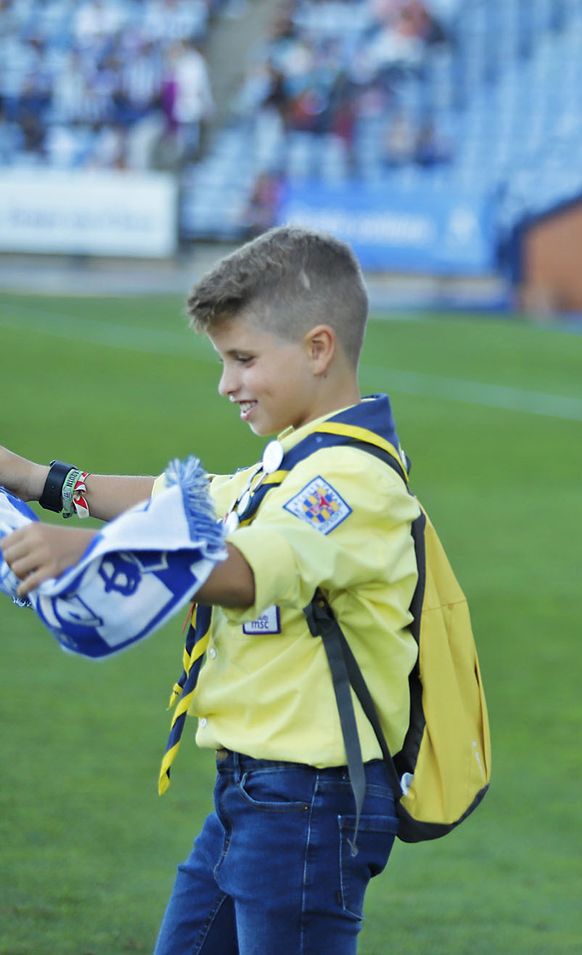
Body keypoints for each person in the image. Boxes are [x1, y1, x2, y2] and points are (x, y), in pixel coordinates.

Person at [0, 227, 419, 954]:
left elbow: (245, 569)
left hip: (308, 804)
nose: (227, 383)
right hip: (252, 796)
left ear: (318, 349)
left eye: (244, 358)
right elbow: (182, 502)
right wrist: (39, 479)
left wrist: (92, 552)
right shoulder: (291, 463)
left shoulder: (354, 481)